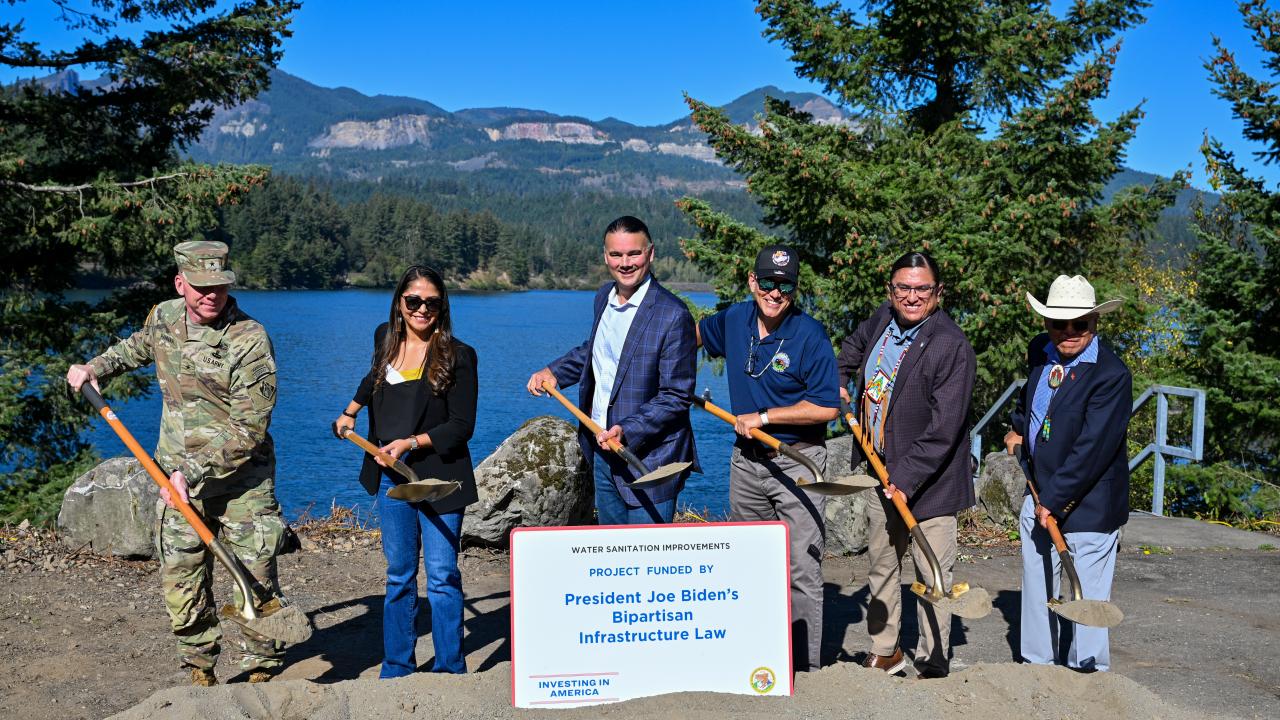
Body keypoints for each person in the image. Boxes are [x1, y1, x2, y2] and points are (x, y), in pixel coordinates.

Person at [66, 240, 285, 686]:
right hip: (174, 477)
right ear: (180, 283)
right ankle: (198, 671)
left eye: (220, 287)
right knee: (181, 576)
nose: (211, 296)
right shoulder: (165, 316)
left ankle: (262, 673)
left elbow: (249, 428)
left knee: (256, 574)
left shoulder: (249, 339)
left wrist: (193, 472)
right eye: (201, 287)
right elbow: (137, 347)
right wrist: (95, 368)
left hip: (243, 480)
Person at [695, 244, 839, 672]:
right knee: (748, 561)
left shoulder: (810, 335)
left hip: (799, 459)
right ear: (753, 282)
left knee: (801, 569)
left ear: (794, 290)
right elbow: (693, 335)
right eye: (769, 283)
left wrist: (766, 416)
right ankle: (756, 655)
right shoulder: (735, 319)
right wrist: (671, 374)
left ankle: (804, 668)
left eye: (786, 286)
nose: (776, 293)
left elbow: (827, 406)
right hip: (747, 461)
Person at [836, 251, 976, 678]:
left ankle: (933, 659)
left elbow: (944, 429)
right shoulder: (883, 319)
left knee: (932, 573)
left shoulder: (952, 346)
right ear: (890, 290)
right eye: (904, 288)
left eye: (922, 289)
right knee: (882, 563)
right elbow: (851, 348)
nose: (912, 297)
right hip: (880, 470)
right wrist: (841, 381)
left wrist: (905, 479)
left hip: (928, 483)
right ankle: (886, 649)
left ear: (938, 292)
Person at [333, 265, 478, 678]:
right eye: (413, 300)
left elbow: (461, 426)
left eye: (431, 302)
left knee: (443, 575)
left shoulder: (460, 356)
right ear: (400, 302)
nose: (422, 309)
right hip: (393, 481)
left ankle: (450, 667)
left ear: (441, 307)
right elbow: (372, 377)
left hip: (440, 479)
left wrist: (412, 442)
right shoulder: (385, 337)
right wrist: (350, 412)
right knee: (399, 575)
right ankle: (397, 665)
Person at [525, 216, 698, 525]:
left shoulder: (673, 315)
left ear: (650, 254)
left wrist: (627, 430)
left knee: (649, 563)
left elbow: (675, 396)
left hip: (650, 460)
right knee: (614, 560)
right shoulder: (603, 297)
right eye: (616, 255)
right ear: (605, 256)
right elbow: (595, 353)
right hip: (602, 453)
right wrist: (554, 371)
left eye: (634, 253)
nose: (625, 263)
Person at [1004, 274, 1131, 673]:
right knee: (1036, 587)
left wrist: (1055, 502)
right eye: (1060, 323)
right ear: (1046, 323)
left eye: (1080, 323)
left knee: (1087, 600)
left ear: (1096, 322)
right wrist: (1019, 427)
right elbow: (1037, 405)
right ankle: (1037, 670)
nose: (1070, 332)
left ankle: (1088, 678)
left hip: (1090, 505)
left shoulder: (1111, 376)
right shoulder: (1041, 351)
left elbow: (1093, 450)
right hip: (1038, 494)